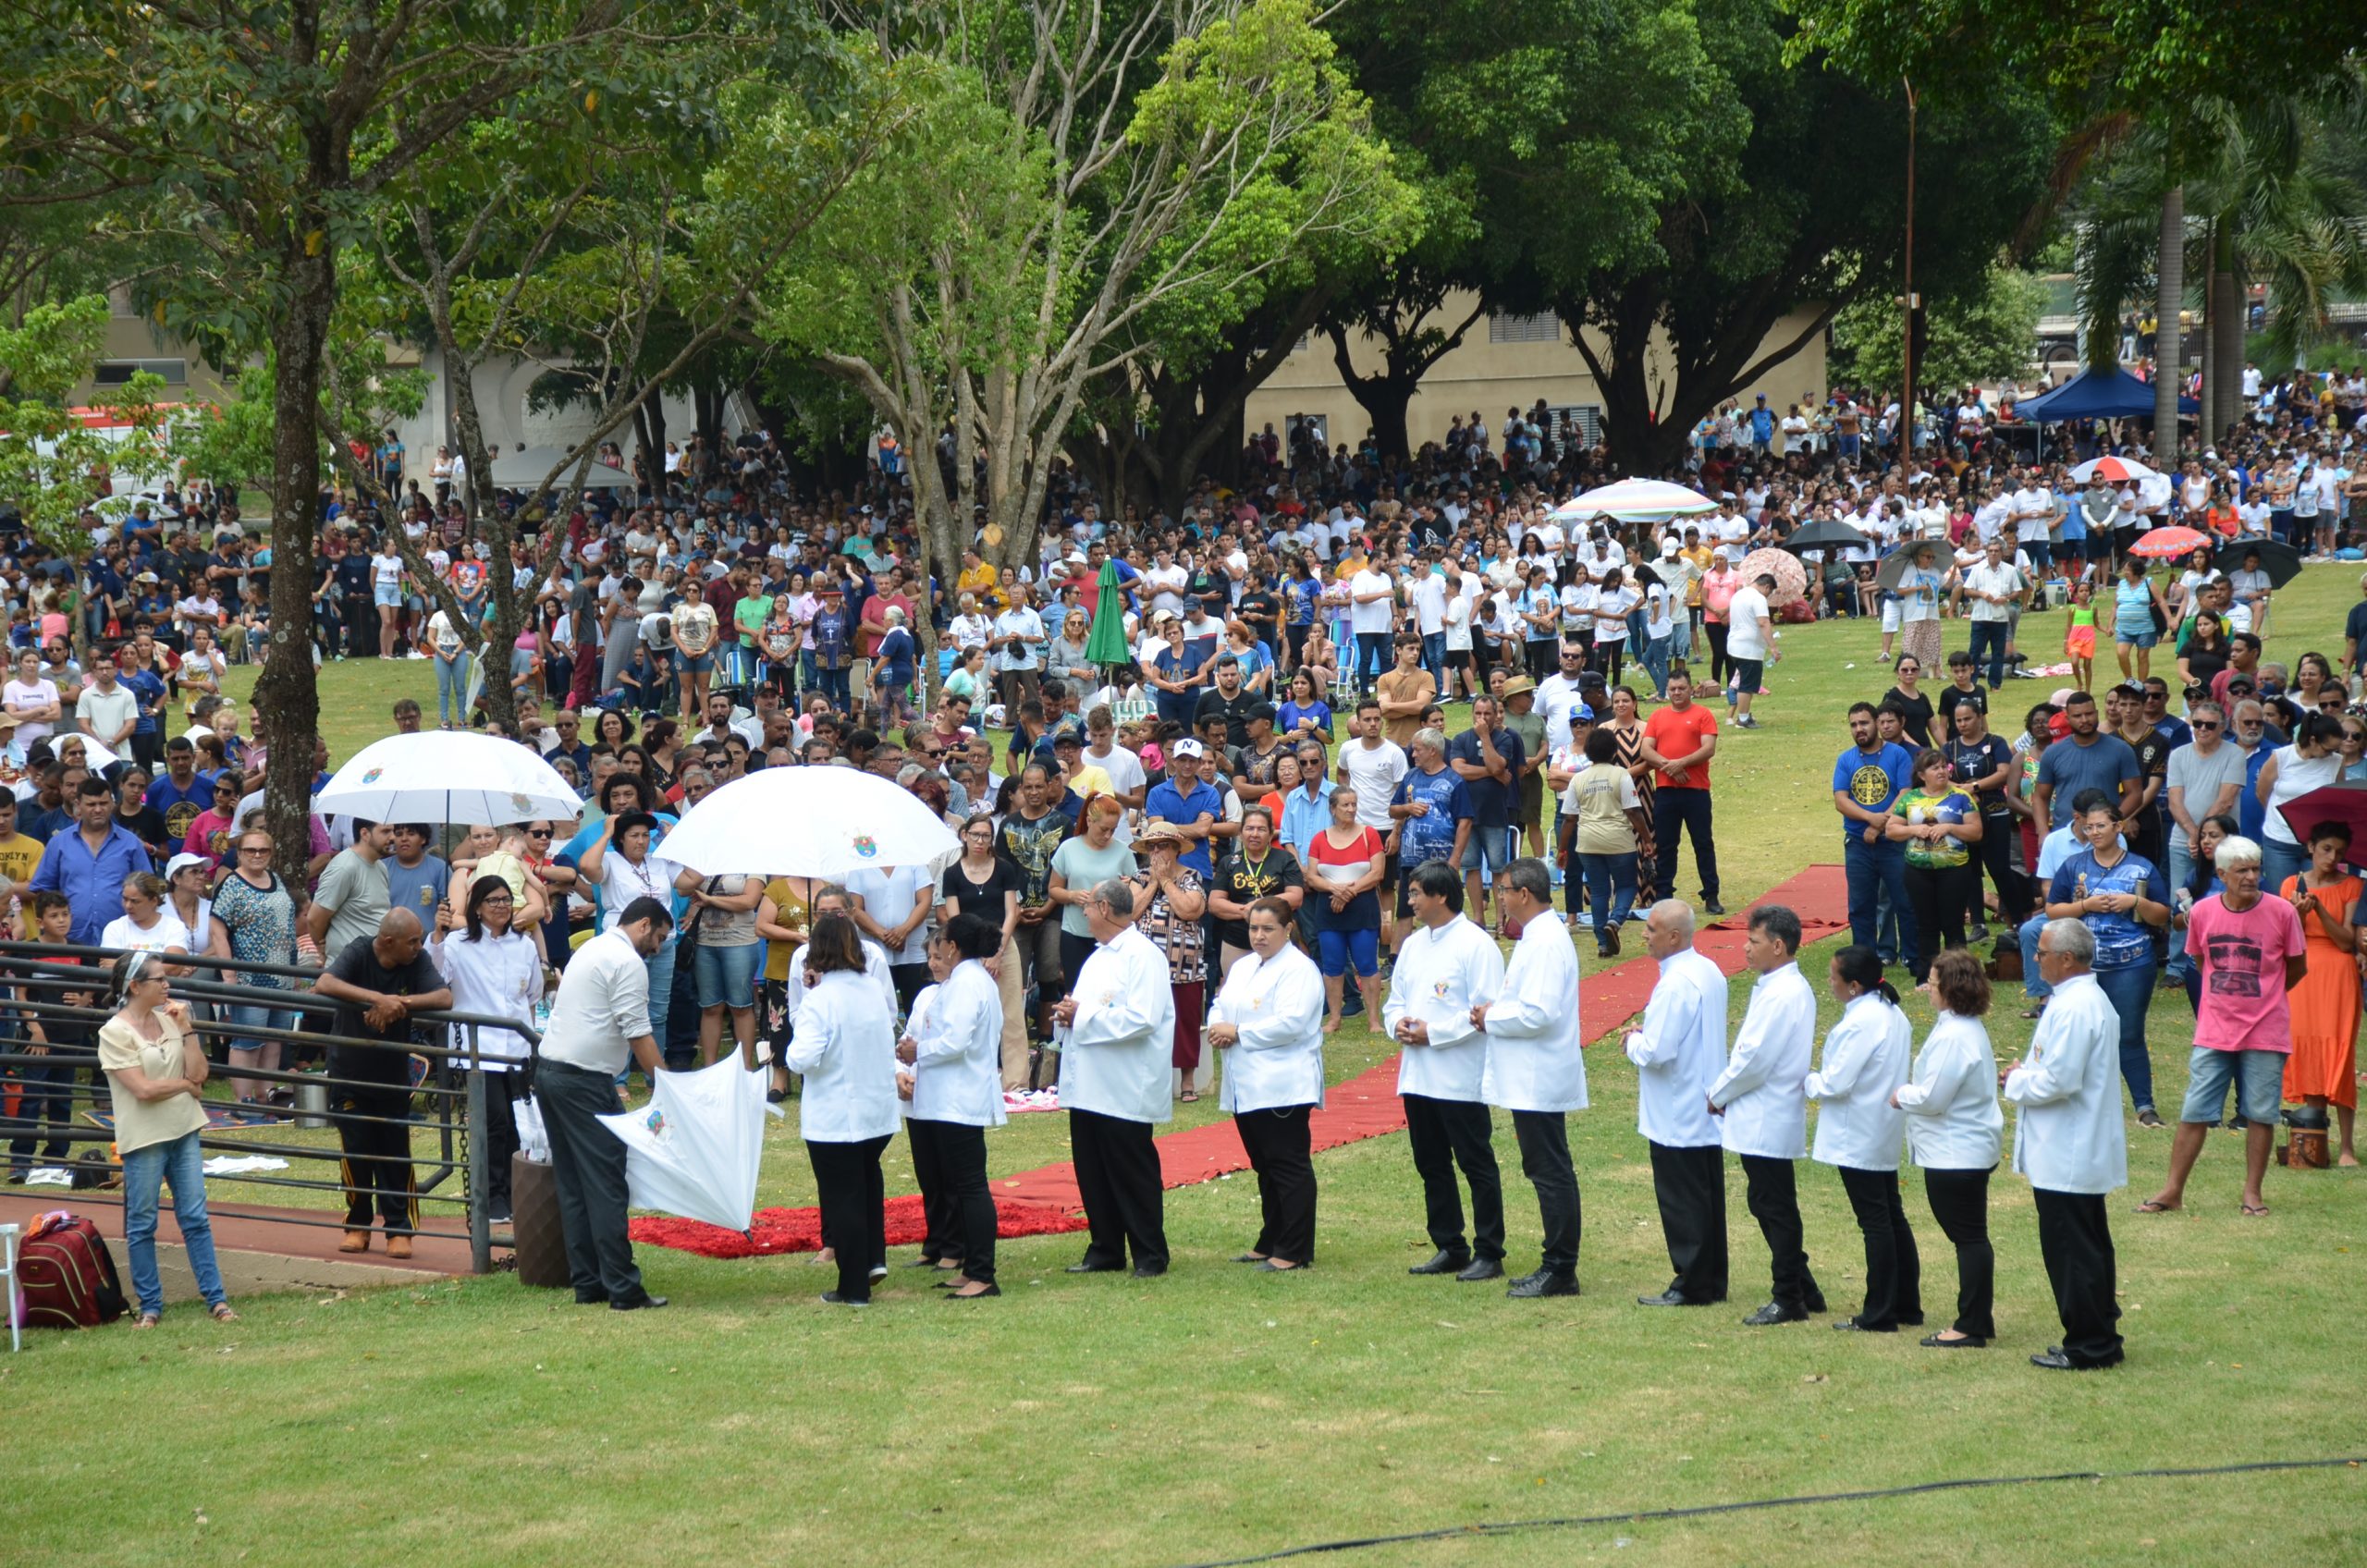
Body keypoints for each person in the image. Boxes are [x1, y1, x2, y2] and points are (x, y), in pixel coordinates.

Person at [2140, 835, 2306, 1219]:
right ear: (2221, 874)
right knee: (2195, 1109)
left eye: (2256, 869)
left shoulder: (2283, 912)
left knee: (2261, 1112)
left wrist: (2266, 998)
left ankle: (2252, 1193)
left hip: (2266, 1029)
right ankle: (2172, 1190)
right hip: (2215, 1029)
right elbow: (2200, 960)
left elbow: (2297, 967)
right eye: (2242, 871)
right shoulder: (2202, 912)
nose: (2251, 877)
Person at [536, 895, 674, 1309]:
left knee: (574, 1184)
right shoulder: (627, 962)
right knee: (606, 1185)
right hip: (583, 1081)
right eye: (660, 937)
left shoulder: (593, 946)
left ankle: (590, 1283)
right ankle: (623, 1289)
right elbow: (638, 1031)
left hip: (550, 1072)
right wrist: (667, 1086)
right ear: (645, 924)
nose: (660, 948)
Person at [2002, 919, 2128, 1370]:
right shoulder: (2076, 1002)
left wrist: (2017, 1081)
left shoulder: (2077, 1007)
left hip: (2069, 1148)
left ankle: (2090, 1342)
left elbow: (2059, 1080)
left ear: (2067, 959)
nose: (2037, 960)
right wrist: (2027, 1074)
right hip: (2071, 1146)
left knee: (2074, 1249)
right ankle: (2095, 1332)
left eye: (2043, 954)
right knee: (2084, 1245)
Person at [97, 949, 236, 1327]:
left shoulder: (172, 1018)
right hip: (144, 1138)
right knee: (142, 1223)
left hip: (183, 1128)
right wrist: (185, 1086)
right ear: (136, 985)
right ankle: (151, 1305)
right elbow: (142, 1090)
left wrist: (188, 1029)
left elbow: (201, 1073)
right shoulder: (113, 1032)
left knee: (195, 1217)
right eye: (159, 979)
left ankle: (217, 1300)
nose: (167, 984)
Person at [1384, 861, 1507, 1280]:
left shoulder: (1476, 945)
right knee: (1431, 1162)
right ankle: (1449, 1244)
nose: (1411, 900)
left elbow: (1484, 1010)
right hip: (1418, 1077)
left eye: (1417, 893)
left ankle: (1490, 1250)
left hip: (1459, 1076)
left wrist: (1432, 1033)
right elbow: (1395, 999)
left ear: (1441, 896)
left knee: (1475, 1163)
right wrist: (1397, 1024)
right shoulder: (1415, 944)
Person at [1710, 904, 1828, 1325]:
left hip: (1767, 1110)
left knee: (1774, 1204)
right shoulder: (1776, 986)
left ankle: (1790, 1295)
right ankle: (1803, 1285)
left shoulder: (1784, 992)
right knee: (1766, 1201)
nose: (1746, 948)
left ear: (1778, 946)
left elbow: (1754, 1057)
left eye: (1753, 941)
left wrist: (1718, 1092)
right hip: (1762, 1109)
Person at [312, 909, 453, 1258]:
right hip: (349, 1072)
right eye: (413, 941)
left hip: (392, 1076)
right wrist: (377, 999)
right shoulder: (359, 951)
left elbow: (444, 998)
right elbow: (325, 983)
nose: (419, 947)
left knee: (395, 1153)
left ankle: (398, 1229)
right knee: (356, 1151)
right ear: (388, 941)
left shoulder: (415, 960)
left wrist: (398, 1003)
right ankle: (357, 1225)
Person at [1051, 878, 1175, 1278]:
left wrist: (1081, 1016)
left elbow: (1142, 1018)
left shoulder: (1142, 955)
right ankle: (1105, 1247)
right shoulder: (1100, 955)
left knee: (1130, 1170)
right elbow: (1085, 1008)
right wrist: (1067, 1014)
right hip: (1090, 1082)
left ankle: (1149, 1252)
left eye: (1087, 906)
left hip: (1125, 1083)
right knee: (1092, 1169)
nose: (1083, 913)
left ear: (1104, 908)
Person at [1475, 858, 1586, 1299]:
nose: (1499, 898)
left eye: (1503, 890)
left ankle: (1560, 1267)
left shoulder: (1543, 941)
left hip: (1539, 1073)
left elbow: (1538, 1012)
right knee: (1544, 1167)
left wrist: (1491, 1017)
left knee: (1550, 1170)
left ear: (1523, 893)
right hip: (1532, 1072)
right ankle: (1557, 1263)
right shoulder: (1536, 936)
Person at [1208, 896, 1327, 1270]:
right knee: (1265, 1165)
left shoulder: (1300, 969)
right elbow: (1221, 1002)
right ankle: (1271, 1237)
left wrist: (1238, 1032)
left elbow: (1291, 1023)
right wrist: (1218, 1026)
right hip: (1247, 1082)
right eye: (1253, 928)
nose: (1258, 936)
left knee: (1288, 1165)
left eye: (1267, 929)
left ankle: (1293, 1249)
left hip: (1282, 1081)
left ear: (1287, 929)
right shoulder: (1244, 966)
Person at [790, 910, 901, 1306]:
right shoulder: (870, 988)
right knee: (866, 1186)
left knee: (844, 1198)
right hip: (876, 1110)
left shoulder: (820, 1001)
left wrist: (790, 1044)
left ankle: (853, 1286)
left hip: (836, 1115)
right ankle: (871, 1261)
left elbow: (802, 1058)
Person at [1805, 945, 1918, 1333]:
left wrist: (1808, 1080)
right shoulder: (1891, 1012)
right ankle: (1906, 1303)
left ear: (1854, 985)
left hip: (1859, 1131)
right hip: (1880, 1126)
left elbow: (1836, 1082)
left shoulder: (1862, 1020)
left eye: (1833, 976)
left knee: (1876, 1221)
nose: (1829, 982)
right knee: (1890, 1214)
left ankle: (1880, 1311)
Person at [1624, 900, 1730, 1308]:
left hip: (1677, 1105)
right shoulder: (1706, 970)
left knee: (1682, 1199)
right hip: (1702, 1099)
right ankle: (1710, 1277)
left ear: (1673, 936)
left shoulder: (1675, 982)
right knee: (1705, 1197)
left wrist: (1634, 1041)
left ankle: (1692, 1281)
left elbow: (1658, 1052)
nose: (1644, 936)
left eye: (1650, 929)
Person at [1895, 948, 2004, 1348]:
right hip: (1964, 1147)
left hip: (1956, 1152)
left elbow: (1932, 1097)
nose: (1928, 989)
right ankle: (1977, 1318)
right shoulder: (1961, 1026)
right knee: (1971, 1236)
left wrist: (1901, 1095)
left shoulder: (1956, 1036)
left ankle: (1972, 1324)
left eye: (1934, 983)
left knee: (1969, 1238)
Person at [896, 913, 1008, 1299]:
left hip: (960, 1097)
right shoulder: (965, 981)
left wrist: (917, 1051)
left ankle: (981, 1273)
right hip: (951, 1097)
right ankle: (971, 1267)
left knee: (972, 1186)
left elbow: (955, 1041)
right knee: (963, 1184)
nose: (936, 953)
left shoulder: (967, 983)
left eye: (940, 945)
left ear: (953, 948)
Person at [2044, 789, 2169, 1124]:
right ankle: (2077, 1099)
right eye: (2089, 827)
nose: (2095, 832)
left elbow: (2163, 916)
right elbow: (2052, 910)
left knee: (2129, 1034)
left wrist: (2136, 903)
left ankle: (2144, 1106)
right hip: (2084, 967)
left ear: (2119, 826)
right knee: (2079, 1033)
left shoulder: (2140, 867)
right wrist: (2086, 906)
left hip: (2132, 962)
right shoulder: (2074, 866)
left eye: (2101, 826)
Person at [428, 874, 544, 1222]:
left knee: (516, 1124)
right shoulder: (458, 943)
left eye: (507, 900)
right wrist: (437, 933)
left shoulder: (523, 944)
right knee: (493, 1120)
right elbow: (435, 974)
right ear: (477, 907)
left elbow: (533, 991)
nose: (502, 907)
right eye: (493, 901)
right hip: (479, 1049)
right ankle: (491, 1195)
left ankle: (513, 1192)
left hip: (516, 1049)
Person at [2277, 820, 2360, 1164]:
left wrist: (2321, 910)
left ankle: (2347, 1148)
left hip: (2338, 974)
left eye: (2340, 852)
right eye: (2326, 849)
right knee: (2306, 1047)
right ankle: (2315, 1138)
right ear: (2311, 847)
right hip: (2301, 972)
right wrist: (2295, 915)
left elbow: (2346, 941)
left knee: (2339, 1052)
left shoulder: (2353, 884)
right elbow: (2283, 937)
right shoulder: (2289, 884)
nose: (2332, 857)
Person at [1127, 821, 1209, 1097]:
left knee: (1185, 1019)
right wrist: (1153, 882)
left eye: (1163, 845)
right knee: (1147, 1020)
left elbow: (1190, 910)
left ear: (1176, 850)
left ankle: (1187, 1082)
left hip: (1184, 964)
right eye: (1152, 846)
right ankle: (1150, 1080)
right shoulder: (1138, 878)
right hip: (1146, 966)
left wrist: (1165, 882)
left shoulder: (1191, 877)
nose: (1157, 851)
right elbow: (1131, 913)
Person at [1833, 702, 1916, 974]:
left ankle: (1912, 956)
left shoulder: (1898, 755)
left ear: (1877, 723)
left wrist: (1881, 825)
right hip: (1858, 843)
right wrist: (1870, 819)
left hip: (1894, 842)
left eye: (1864, 723)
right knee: (1860, 906)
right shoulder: (1846, 759)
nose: (1859, 729)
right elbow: (1841, 800)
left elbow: (1906, 793)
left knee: (1904, 900)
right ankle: (1863, 961)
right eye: (1854, 724)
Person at [1887, 747, 1981, 982]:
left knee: (1953, 925)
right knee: (1925, 925)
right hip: (1918, 871)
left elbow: (1976, 831)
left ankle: (1958, 976)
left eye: (1943, 767)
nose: (1941, 771)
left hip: (1954, 870)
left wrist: (1950, 827)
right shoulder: (1910, 798)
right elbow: (1891, 830)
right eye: (1934, 767)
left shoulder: (1961, 797)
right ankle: (1926, 977)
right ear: (1922, 774)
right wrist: (1914, 829)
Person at [1302, 786, 1386, 1033]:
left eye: (1354, 804)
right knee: (1332, 965)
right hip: (1329, 910)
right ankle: (1335, 1018)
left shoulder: (1369, 835)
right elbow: (1312, 877)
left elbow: (1377, 873)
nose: (1351, 809)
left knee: (1367, 964)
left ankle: (1373, 1020)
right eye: (1345, 805)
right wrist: (1333, 889)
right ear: (1333, 809)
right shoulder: (1320, 838)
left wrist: (1348, 891)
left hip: (1363, 908)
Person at [1639, 670, 1723, 914]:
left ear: (1691, 689)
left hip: (1696, 791)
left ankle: (1711, 894)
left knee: (1703, 843)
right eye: (1673, 688)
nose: (1676, 693)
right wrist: (1671, 767)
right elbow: (1646, 750)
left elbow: (1708, 749)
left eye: (1681, 688)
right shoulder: (1658, 716)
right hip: (1666, 791)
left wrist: (1681, 763)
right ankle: (1663, 894)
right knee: (1666, 845)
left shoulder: (1703, 715)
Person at [1561, 727, 1647, 957]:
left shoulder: (1578, 779)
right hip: (1619, 840)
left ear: (1588, 752)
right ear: (1614, 751)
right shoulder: (1621, 775)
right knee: (1627, 885)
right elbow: (1634, 812)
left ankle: (1602, 943)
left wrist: (1561, 849)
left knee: (1598, 891)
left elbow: (1569, 819)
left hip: (1588, 841)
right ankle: (1615, 921)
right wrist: (1647, 839)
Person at [1723, 570, 1778, 729]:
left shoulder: (1738, 595)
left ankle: (1744, 715)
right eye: (1769, 592)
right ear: (1766, 587)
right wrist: (1773, 647)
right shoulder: (1758, 598)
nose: (1768, 596)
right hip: (1749, 648)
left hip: (1734, 644)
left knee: (1745, 683)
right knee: (1747, 686)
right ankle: (1743, 718)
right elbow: (1763, 623)